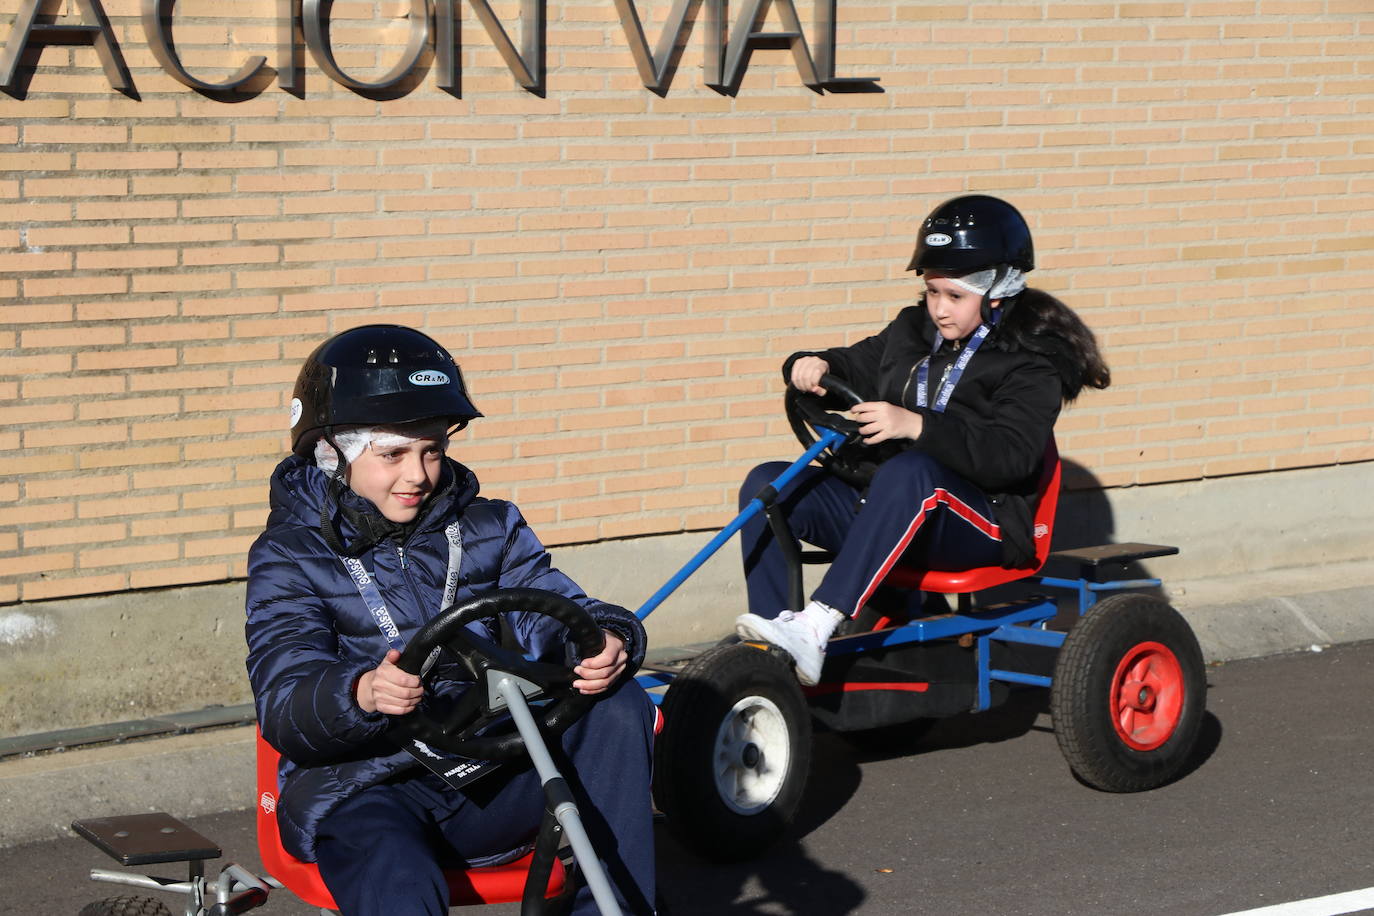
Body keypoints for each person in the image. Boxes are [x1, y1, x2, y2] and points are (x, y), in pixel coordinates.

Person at [245, 324, 656, 916]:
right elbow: (285, 699)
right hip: (370, 782)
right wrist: (360, 692)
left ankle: (614, 908)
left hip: (494, 767)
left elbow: (559, 606)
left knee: (618, 705)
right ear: (332, 453)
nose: (418, 473)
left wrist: (608, 638)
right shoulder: (288, 555)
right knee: (393, 871)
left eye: (432, 449)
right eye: (393, 454)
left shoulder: (492, 526)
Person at [734, 195, 1111, 685]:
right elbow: (854, 363)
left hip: (982, 523)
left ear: (998, 289)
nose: (938, 309)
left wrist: (916, 425)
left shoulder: (1032, 361)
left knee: (914, 471)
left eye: (954, 297)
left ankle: (818, 622)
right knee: (768, 484)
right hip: (889, 507)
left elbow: (1011, 458)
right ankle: (774, 655)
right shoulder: (912, 331)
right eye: (932, 292)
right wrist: (812, 364)